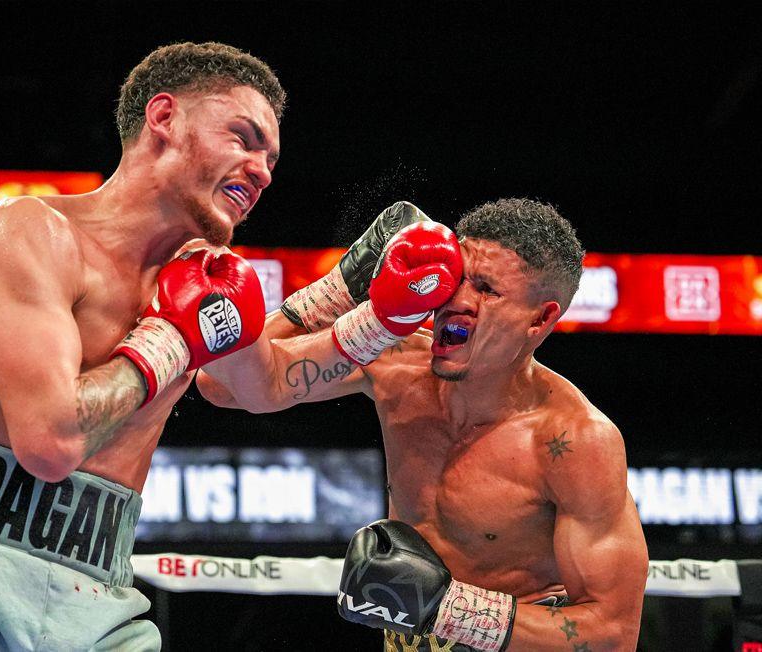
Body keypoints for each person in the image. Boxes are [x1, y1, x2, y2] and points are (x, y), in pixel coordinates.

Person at [0, 41, 285, 651]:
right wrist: (171, 341)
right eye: (243, 138)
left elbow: (274, 380)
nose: (262, 170)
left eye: (270, 158)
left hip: (96, 596)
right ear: (163, 119)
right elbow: (50, 444)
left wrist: (373, 301)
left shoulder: (203, 284)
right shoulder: (30, 232)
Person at [197, 198, 649, 650]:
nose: (459, 300)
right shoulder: (395, 364)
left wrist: (447, 609)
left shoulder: (572, 440)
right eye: (458, 278)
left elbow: (612, 633)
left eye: (488, 290)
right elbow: (224, 385)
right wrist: (344, 287)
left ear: (541, 318)